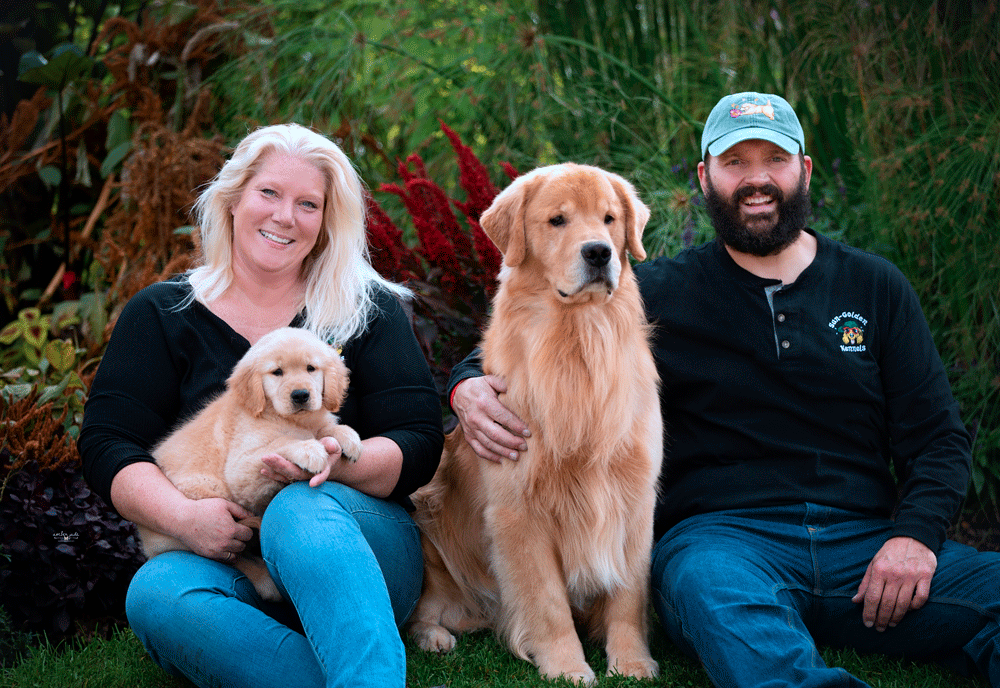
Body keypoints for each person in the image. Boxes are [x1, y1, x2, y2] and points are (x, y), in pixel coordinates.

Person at [446, 92, 1000, 686]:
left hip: (862, 547)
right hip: (727, 545)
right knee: (714, 595)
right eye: (736, 163)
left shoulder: (876, 287)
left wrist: (914, 539)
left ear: (804, 171)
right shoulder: (655, 291)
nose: (756, 179)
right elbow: (517, 343)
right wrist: (466, 387)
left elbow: (940, 438)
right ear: (705, 178)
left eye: (774, 160)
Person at [78, 123, 444, 688]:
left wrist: (336, 460)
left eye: (308, 204)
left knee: (298, 505)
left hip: (358, 558)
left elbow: (419, 440)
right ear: (233, 198)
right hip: (225, 562)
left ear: (325, 222)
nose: (283, 217)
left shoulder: (366, 308)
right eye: (268, 193)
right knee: (157, 592)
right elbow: (107, 444)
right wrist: (184, 518)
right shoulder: (161, 313)